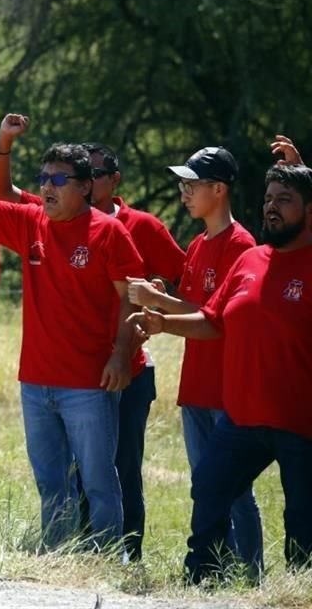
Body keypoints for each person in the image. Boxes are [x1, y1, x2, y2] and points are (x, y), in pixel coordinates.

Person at [0, 134, 145, 550]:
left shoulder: (109, 232)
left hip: (89, 384)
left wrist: (122, 354)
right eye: (43, 178)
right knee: (51, 483)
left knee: (99, 482)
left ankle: (107, 561)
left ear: (86, 186)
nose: (47, 187)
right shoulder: (30, 223)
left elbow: (131, 296)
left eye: (59, 179)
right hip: (35, 383)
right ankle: (57, 559)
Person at [0, 115, 185, 559]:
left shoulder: (132, 226)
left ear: (101, 182)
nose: (50, 186)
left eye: (91, 174)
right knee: (61, 476)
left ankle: (119, 556)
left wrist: (136, 335)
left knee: (114, 472)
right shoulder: (45, 215)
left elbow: (169, 281)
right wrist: (0, 144)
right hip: (58, 373)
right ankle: (66, 560)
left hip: (119, 368)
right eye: (46, 178)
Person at [129, 163, 312, 583]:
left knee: (302, 515)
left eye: (285, 200)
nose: (272, 208)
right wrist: (163, 323)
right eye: (268, 199)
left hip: (300, 422)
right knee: (209, 487)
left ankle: (299, 589)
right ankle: (203, 579)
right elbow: (214, 321)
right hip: (243, 417)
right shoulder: (251, 260)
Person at [127, 146, 262, 574]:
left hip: (227, 385)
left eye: (192, 185)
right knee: (205, 483)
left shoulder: (241, 244)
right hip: (197, 383)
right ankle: (214, 564)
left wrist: (156, 300)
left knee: (234, 485)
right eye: (183, 185)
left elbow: (213, 315)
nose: (184, 193)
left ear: (218, 189)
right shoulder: (198, 242)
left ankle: (250, 569)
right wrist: (160, 302)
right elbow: (191, 303)